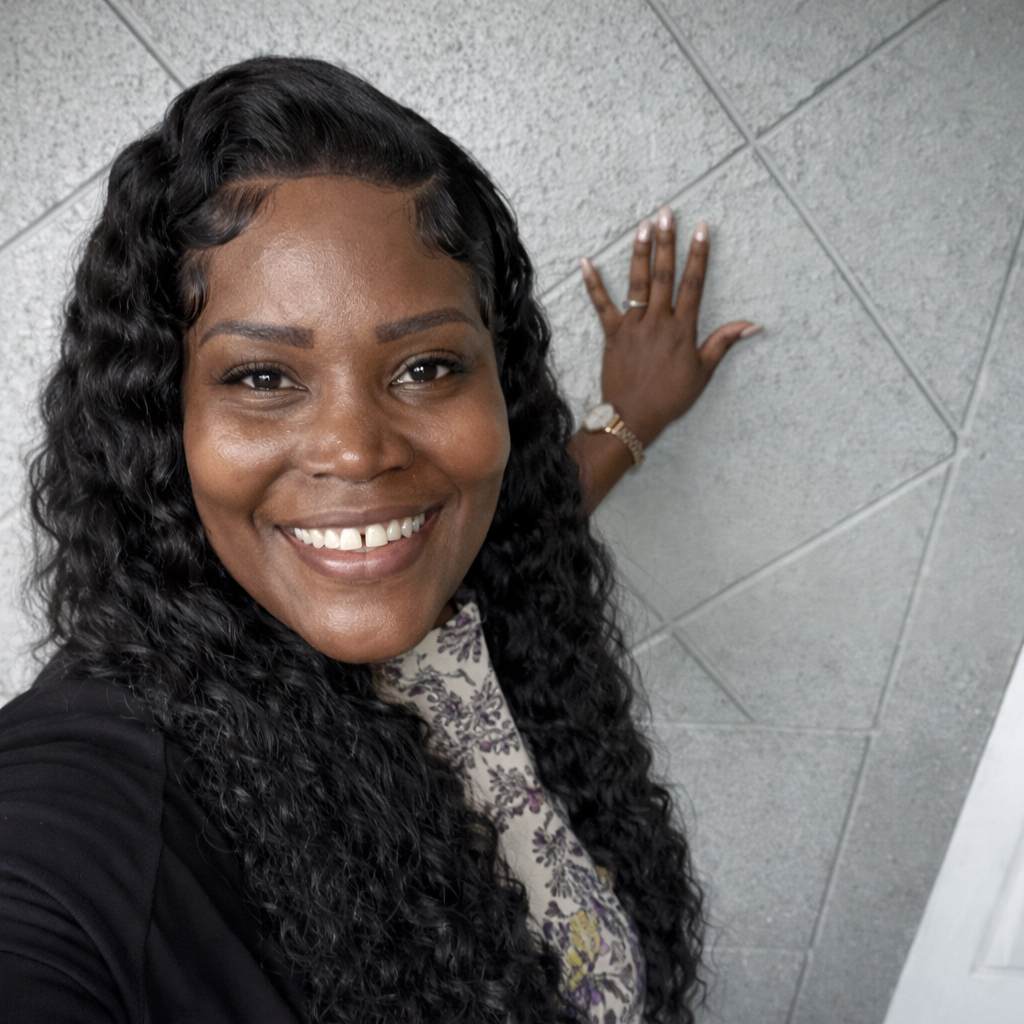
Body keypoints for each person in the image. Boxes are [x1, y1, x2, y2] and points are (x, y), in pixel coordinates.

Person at [0, 55, 762, 1023]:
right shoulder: (87, 807)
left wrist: (628, 419)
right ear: (164, 419)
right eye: (264, 379)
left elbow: (515, 499)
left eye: (429, 366)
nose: (358, 454)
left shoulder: (468, 564)